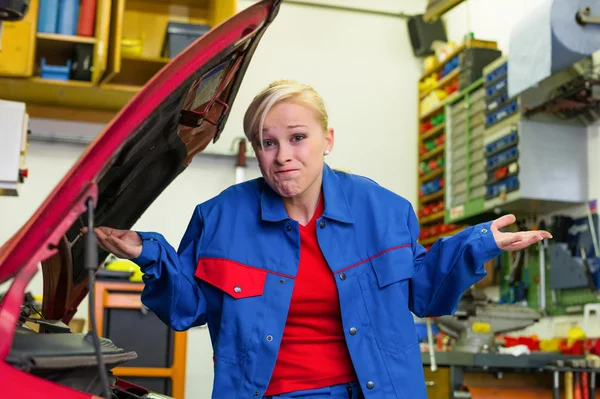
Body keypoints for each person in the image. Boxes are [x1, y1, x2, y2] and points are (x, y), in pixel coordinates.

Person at [92, 79, 551, 399]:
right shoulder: (220, 219)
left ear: (327, 138)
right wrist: (148, 255)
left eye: (297, 137)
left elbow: (424, 293)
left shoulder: (384, 211)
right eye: (267, 143)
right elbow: (186, 308)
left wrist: (478, 242)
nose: (283, 156)